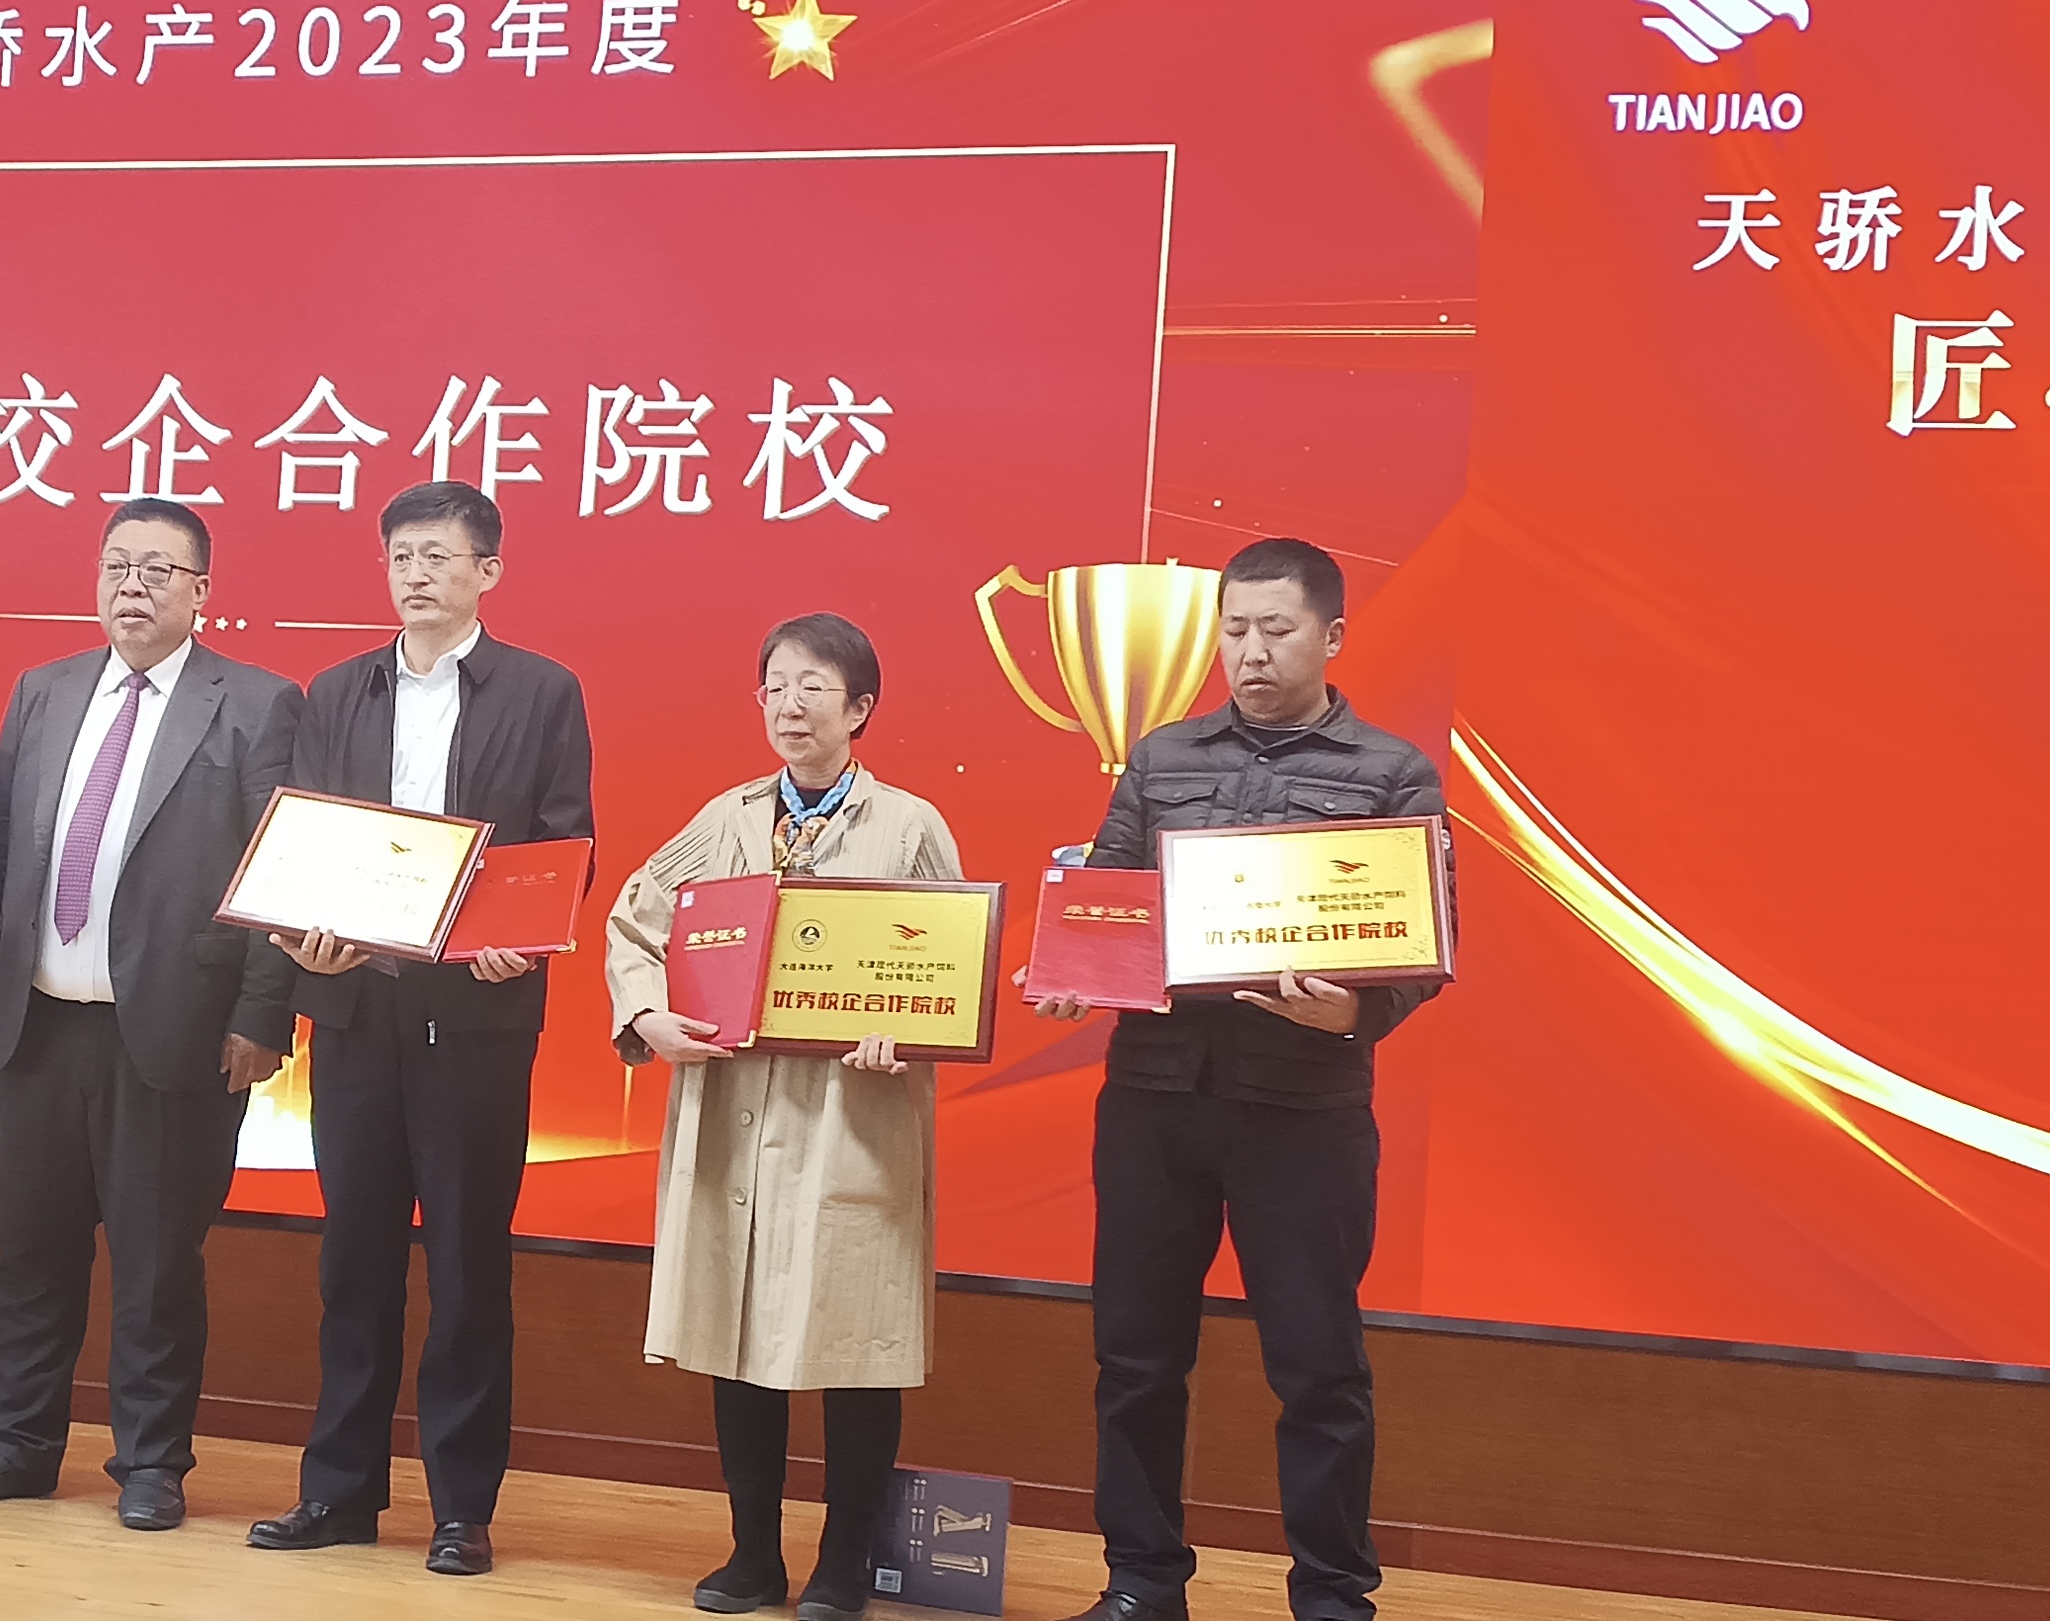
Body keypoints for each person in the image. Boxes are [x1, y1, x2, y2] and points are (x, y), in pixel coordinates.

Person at [1025, 537, 1448, 1621]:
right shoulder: (1160, 756)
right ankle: (1141, 1583)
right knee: (1134, 1356)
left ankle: (1332, 1597)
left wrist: (1354, 1010)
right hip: (1154, 1098)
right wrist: (1072, 964)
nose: (1250, 652)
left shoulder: (1391, 771)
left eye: (1275, 629)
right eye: (1233, 631)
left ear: (1330, 636)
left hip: (1302, 1110)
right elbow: (1108, 887)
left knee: (1317, 1367)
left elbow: (1424, 942)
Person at [0, 499, 302, 1531]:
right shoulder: (44, 690)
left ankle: (150, 1461)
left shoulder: (257, 702)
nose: (130, 586)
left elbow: (278, 868)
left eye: (155, 569)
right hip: (42, 1022)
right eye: (115, 566)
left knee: (156, 1260)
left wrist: (263, 1015)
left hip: (179, 1027)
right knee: (29, 1250)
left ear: (200, 591)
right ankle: (17, 1443)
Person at [246, 480, 595, 1578]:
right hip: (355, 1005)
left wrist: (521, 939)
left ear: (487, 571)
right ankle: (338, 1492)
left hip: (475, 1016)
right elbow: (304, 834)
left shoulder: (541, 689)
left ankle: (459, 1506)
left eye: (438, 555)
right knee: (352, 1261)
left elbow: (564, 843)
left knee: (465, 1265)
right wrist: (300, 940)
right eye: (400, 554)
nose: (416, 573)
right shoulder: (337, 689)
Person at [605, 613, 962, 1621]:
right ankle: (751, 1552)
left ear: (859, 708)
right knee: (736, 1331)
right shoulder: (724, 818)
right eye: (775, 685)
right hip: (734, 1104)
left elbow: (950, 964)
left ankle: (842, 1562)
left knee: (856, 1342)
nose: (790, 704)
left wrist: (907, 1032)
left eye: (814, 687)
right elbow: (635, 920)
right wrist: (645, 1013)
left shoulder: (908, 825)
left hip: (852, 1117)